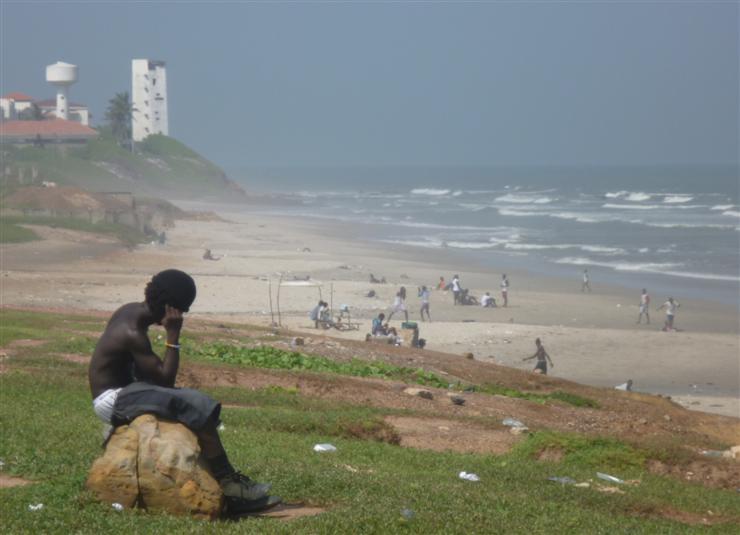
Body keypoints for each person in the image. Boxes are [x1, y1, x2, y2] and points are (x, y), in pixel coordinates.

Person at [88, 269, 280, 516]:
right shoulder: (132, 333)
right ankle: (231, 484)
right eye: (181, 310)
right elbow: (166, 380)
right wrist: (173, 334)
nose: (182, 314)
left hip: (127, 390)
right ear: (171, 309)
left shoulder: (129, 310)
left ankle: (228, 481)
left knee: (188, 400)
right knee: (194, 403)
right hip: (113, 399)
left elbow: (147, 373)